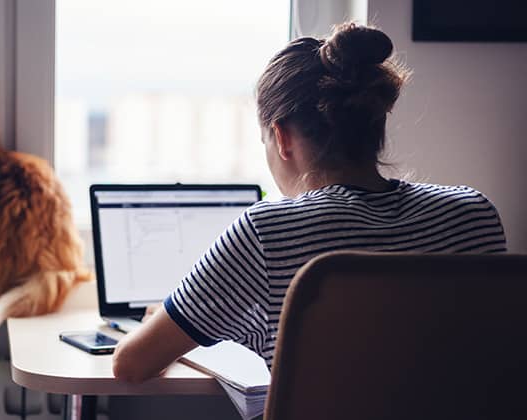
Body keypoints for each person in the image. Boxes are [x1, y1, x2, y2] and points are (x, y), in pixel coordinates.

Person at [111, 22, 507, 383]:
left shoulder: (268, 231)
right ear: (375, 123)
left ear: (281, 138)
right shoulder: (473, 214)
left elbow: (131, 364)